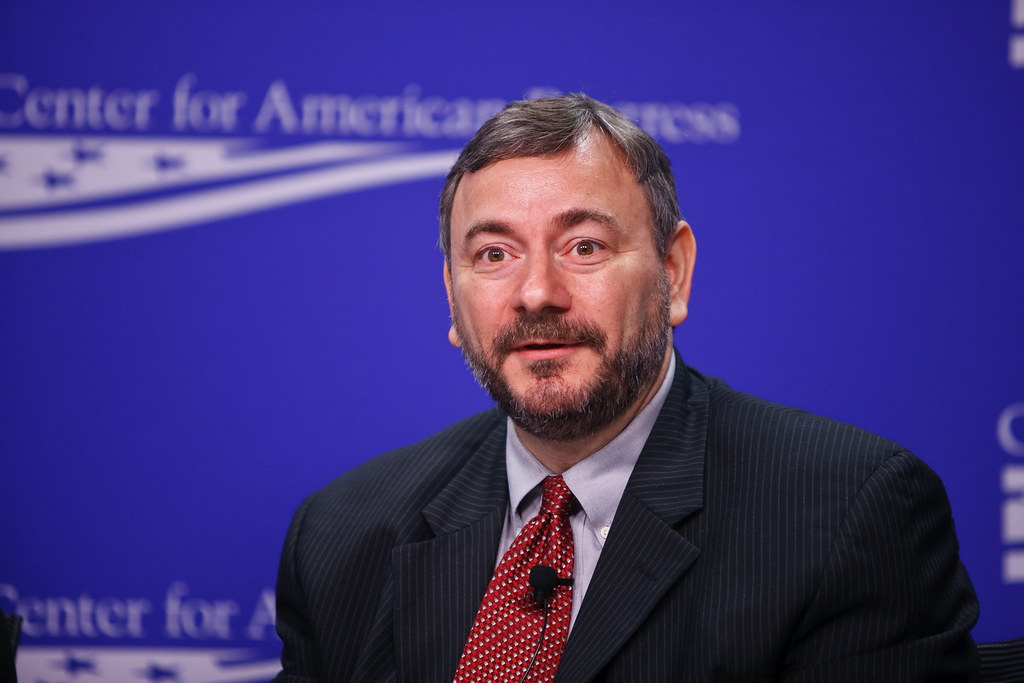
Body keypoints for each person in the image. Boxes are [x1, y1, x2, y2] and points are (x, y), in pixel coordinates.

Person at [272, 94, 980, 682]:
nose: (537, 293)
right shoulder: (343, 536)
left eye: (584, 247)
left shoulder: (846, 515)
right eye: (494, 254)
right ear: (452, 300)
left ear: (674, 272)